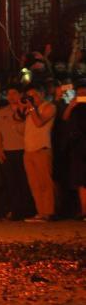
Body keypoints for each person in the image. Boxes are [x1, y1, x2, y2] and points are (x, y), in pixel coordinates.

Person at [0, 86, 34, 220]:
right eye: (8, 93)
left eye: (14, 93)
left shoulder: (27, 110)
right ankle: (16, 211)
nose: (11, 96)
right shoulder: (2, 112)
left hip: (24, 149)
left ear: (20, 94)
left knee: (25, 181)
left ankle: (29, 210)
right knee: (11, 182)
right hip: (8, 151)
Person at [21, 84, 57, 222]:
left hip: (42, 149)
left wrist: (31, 108)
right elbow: (23, 128)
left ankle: (48, 212)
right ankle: (40, 212)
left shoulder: (49, 107)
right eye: (29, 96)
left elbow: (39, 123)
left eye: (34, 95)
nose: (31, 98)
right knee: (34, 184)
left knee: (45, 183)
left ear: (42, 93)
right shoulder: (30, 110)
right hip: (28, 150)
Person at [62, 79, 86, 219]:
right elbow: (65, 118)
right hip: (77, 146)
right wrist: (71, 105)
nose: (82, 94)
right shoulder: (74, 106)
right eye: (79, 92)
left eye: (84, 92)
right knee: (80, 181)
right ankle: (84, 210)